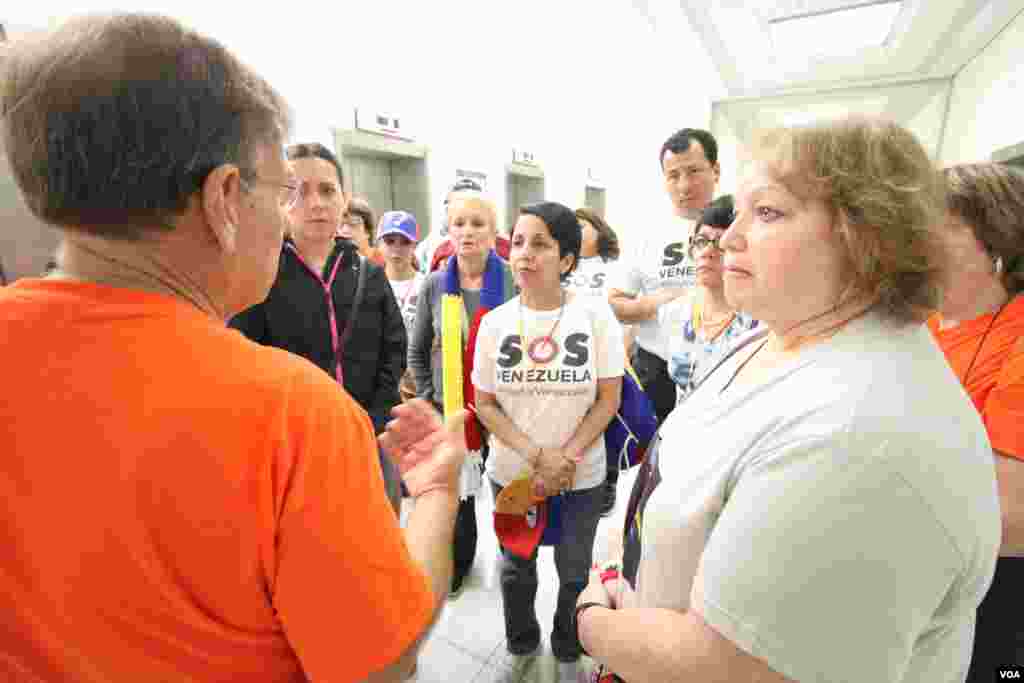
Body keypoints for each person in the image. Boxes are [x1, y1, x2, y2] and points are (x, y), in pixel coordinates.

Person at [0, 13, 462, 681]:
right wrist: (438, 493)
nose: (293, 212)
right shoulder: (291, 413)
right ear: (223, 197)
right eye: (279, 190)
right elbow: (376, 665)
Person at [574, 116, 1000, 682]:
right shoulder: (780, 334)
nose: (728, 237)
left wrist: (590, 620)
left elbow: (726, 669)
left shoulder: (861, 439)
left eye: (768, 212)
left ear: (865, 236)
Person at [474, 202, 624, 663]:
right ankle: (521, 640)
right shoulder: (495, 323)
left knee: (575, 568)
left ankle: (566, 640)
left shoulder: (596, 318)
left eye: (540, 244)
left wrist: (566, 458)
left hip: (580, 475)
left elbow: (608, 400)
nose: (523, 254)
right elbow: (485, 405)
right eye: (518, 242)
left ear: (567, 260)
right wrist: (538, 455)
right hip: (513, 471)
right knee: (517, 567)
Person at [230, 142, 407, 515]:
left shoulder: (368, 273)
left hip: (369, 440)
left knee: (379, 540)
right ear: (279, 200)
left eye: (328, 190)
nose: (316, 203)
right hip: (293, 452)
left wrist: (373, 421)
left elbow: (393, 349)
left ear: (344, 200)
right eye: (298, 191)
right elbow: (244, 361)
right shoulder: (259, 276)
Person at [929, 162, 1024, 682]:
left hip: (993, 595)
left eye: (939, 223)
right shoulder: (918, 322)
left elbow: (1008, 521)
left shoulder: (1017, 336)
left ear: (996, 238)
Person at [408, 192, 516, 597]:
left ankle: (514, 564)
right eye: (459, 224)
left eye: (478, 224)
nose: (468, 232)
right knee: (461, 493)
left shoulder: (509, 278)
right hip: (451, 409)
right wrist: (430, 396)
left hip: (504, 409)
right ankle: (459, 562)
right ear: (448, 231)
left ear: (493, 233)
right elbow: (417, 349)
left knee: (507, 486)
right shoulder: (436, 283)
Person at [608, 128, 721, 424]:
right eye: (673, 175)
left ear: (716, 170)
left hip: (723, 364)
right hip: (656, 370)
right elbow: (615, 305)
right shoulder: (645, 235)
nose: (684, 185)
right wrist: (658, 302)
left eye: (694, 171)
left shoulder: (739, 224)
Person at [663, 195, 757, 403]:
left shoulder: (760, 323)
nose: (708, 252)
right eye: (701, 241)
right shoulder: (675, 313)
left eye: (722, 243)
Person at [568, 207, 624, 515]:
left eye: (583, 226)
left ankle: (609, 481)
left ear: (599, 229)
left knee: (609, 416)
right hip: (573, 354)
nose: (577, 232)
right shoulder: (564, 264)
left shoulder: (614, 265)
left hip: (608, 351)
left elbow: (622, 313)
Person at [379, 210, 426, 402]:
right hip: (385, 385)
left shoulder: (427, 285)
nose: (396, 249)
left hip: (421, 385)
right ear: (379, 243)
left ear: (415, 244)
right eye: (390, 241)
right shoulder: (370, 285)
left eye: (405, 242)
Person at [341, 195, 385, 267]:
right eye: (342, 225)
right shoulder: (338, 263)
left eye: (353, 224)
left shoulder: (383, 261)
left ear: (367, 231)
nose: (345, 230)